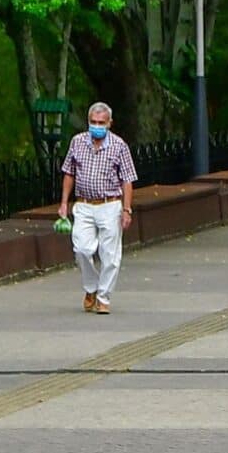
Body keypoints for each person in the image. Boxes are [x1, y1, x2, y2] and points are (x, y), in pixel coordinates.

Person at [59, 101, 138, 314]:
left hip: (110, 204)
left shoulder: (119, 146)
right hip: (83, 204)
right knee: (82, 249)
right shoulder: (78, 142)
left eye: (101, 122)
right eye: (93, 122)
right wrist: (64, 203)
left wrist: (126, 209)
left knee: (110, 254)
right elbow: (69, 172)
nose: (97, 126)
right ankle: (91, 287)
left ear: (110, 123)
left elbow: (127, 180)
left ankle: (103, 297)